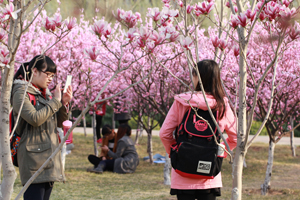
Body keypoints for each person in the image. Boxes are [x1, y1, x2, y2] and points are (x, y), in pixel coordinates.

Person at [159, 60, 237, 200]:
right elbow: (236, 136)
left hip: (182, 172)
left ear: (197, 77)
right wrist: (220, 152)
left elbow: (164, 134)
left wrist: (175, 151)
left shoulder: (183, 101)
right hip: (209, 175)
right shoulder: (222, 105)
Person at [11, 55, 73, 200]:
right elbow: (35, 119)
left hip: (49, 155)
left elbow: (59, 123)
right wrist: (56, 101)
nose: (50, 78)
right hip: (33, 158)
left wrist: (63, 103)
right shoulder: (21, 92)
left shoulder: (45, 95)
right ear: (34, 71)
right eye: (47, 74)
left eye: (53, 75)